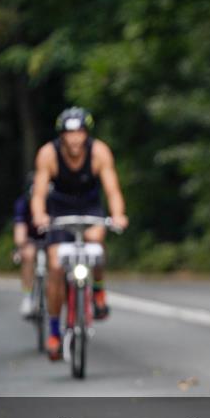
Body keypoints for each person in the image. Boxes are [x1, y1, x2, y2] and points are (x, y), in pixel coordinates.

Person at [30, 106, 129, 361]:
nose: (75, 139)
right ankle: (54, 331)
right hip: (59, 210)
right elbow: (39, 193)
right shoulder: (48, 154)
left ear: (87, 134)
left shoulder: (99, 152)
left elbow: (113, 190)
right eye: (69, 133)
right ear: (61, 135)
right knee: (55, 266)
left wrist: (118, 215)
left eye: (80, 133)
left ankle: (98, 290)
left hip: (89, 207)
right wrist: (40, 216)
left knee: (96, 241)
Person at [13, 172, 39, 317]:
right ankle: (28, 297)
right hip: (31, 238)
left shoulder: (54, 200)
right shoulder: (22, 203)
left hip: (52, 236)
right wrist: (20, 244)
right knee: (28, 255)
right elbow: (20, 227)